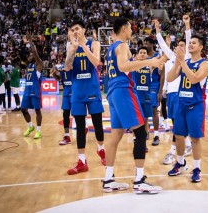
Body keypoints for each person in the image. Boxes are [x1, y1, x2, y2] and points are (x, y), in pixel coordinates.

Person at [102, 17, 163, 194]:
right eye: (129, 27)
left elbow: (126, 66)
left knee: (115, 136)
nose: (131, 30)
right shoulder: (121, 45)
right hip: (122, 89)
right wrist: (149, 61)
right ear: (123, 29)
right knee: (140, 132)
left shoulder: (111, 48)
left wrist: (153, 61)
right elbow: (123, 67)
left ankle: (108, 179)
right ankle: (139, 180)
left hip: (112, 92)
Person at [167, 34, 208, 183]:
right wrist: (177, 63)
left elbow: (194, 79)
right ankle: (180, 163)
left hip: (195, 105)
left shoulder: (205, 64)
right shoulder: (183, 62)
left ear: (201, 47)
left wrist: (182, 63)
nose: (190, 45)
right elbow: (169, 78)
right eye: (189, 42)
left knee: (195, 139)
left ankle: (197, 168)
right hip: (181, 103)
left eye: (194, 43)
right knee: (178, 136)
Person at [65, 20, 106, 175]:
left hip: (92, 89)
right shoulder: (70, 46)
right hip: (77, 91)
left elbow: (96, 62)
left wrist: (82, 45)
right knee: (80, 127)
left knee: (97, 123)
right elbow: (67, 67)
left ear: (83, 30)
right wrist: (73, 49)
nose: (75, 31)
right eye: (72, 29)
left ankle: (101, 149)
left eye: (77, 29)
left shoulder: (94, 43)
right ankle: (82, 160)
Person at [154, 17, 193, 165]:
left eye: (184, 45)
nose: (180, 47)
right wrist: (157, 30)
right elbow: (163, 45)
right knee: (176, 122)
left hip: (180, 93)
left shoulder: (187, 58)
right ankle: (187, 144)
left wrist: (187, 25)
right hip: (170, 94)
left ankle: (172, 151)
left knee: (177, 124)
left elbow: (188, 39)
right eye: (179, 45)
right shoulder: (171, 57)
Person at [21, 34, 44, 139]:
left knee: (37, 111)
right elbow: (22, 57)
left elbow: (34, 52)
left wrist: (30, 42)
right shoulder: (28, 66)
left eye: (32, 55)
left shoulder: (39, 64)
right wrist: (24, 43)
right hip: (27, 91)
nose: (30, 56)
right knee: (23, 109)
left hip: (35, 91)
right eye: (29, 55)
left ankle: (38, 130)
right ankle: (30, 126)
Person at [143, 37, 163, 146]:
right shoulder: (143, 57)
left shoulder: (157, 56)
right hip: (144, 86)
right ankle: (146, 131)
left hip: (154, 85)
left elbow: (162, 73)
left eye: (147, 42)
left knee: (154, 109)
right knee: (145, 109)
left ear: (152, 44)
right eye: (145, 43)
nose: (146, 44)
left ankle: (156, 135)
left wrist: (160, 91)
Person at [50, 62, 73, 145]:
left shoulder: (74, 64)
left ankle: (84, 127)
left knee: (78, 115)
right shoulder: (60, 67)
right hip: (66, 93)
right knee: (65, 114)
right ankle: (67, 136)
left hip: (75, 92)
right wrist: (54, 73)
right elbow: (58, 78)